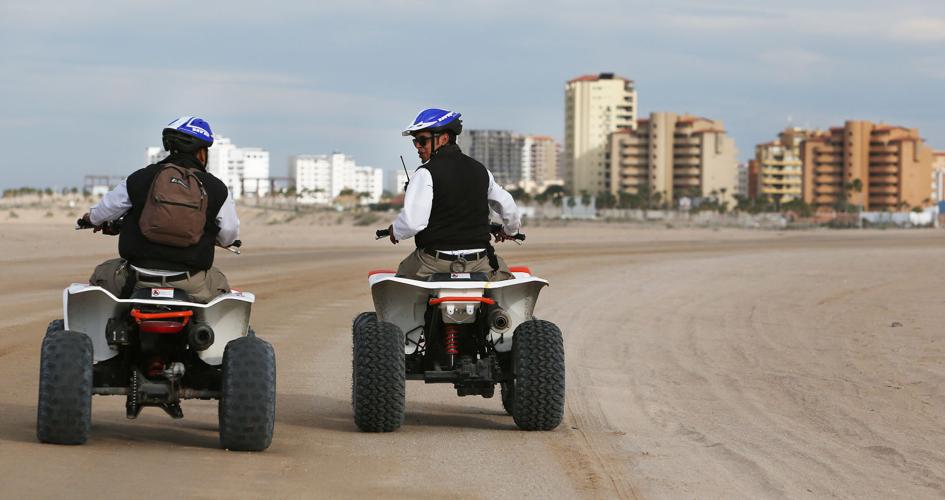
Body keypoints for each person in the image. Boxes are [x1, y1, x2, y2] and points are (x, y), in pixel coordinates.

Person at [82, 116, 239, 303]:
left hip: (137, 279)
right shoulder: (217, 188)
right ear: (202, 152)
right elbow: (229, 234)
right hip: (191, 282)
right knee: (219, 282)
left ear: (169, 146)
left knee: (102, 273)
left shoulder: (139, 178)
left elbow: (104, 210)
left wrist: (89, 219)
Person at [387, 108, 520, 281]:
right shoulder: (481, 170)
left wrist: (395, 231)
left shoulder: (425, 173)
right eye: (415, 142)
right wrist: (510, 230)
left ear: (443, 138)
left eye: (422, 140)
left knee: (400, 283)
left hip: (432, 263)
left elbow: (413, 223)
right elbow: (508, 206)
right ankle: (495, 308)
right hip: (479, 262)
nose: (418, 146)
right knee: (505, 282)